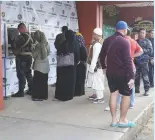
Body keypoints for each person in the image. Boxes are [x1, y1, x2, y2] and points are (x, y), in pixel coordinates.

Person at [100, 21, 135, 128]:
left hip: (110, 73)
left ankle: (114, 121)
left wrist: (104, 68)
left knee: (113, 94)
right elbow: (128, 60)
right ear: (124, 30)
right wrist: (131, 76)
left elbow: (101, 56)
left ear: (116, 29)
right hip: (122, 73)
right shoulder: (125, 42)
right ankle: (123, 120)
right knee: (126, 95)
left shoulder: (107, 40)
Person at [105, 30, 143, 111]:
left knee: (118, 87)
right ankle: (131, 103)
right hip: (131, 66)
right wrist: (132, 56)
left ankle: (117, 104)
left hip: (123, 67)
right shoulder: (133, 41)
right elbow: (141, 51)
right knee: (130, 86)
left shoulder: (119, 41)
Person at [54, 30, 80, 101]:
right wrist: (76, 62)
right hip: (72, 65)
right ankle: (70, 95)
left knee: (63, 80)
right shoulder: (76, 43)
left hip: (63, 66)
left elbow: (58, 53)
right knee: (71, 81)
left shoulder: (63, 43)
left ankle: (62, 95)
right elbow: (78, 54)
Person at [12, 23, 33, 97]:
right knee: (28, 73)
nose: (18, 31)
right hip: (29, 57)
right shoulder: (31, 36)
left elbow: (15, 46)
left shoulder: (21, 37)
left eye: (19, 29)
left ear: (21, 28)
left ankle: (21, 92)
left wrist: (13, 39)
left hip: (22, 57)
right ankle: (31, 90)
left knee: (21, 74)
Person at [86, 28, 105, 104]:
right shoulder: (96, 43)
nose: (93, 35)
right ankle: (97, 95)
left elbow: (95, 57)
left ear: (97, 35)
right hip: (95, 66)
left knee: (98, 82)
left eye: (94, 34)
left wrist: (92, 67)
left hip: (96, 67)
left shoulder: (97, 45)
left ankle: (100, 98)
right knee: (95, 81)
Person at [31, 30, 50, 101]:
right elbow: (47, 54)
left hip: (39, 66)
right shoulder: (47, 44)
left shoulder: (38, 46)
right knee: (44, 82)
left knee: (37, 82)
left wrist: (32, 49)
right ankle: (44, 96)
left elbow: (34, 55)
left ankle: (37, 97)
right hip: (46, 65)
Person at [135, 28, 153, 96]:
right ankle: (137, 89)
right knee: (136, 76)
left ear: (145, 34)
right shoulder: (135, 41)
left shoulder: (148, 41)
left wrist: (142, 50)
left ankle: (146, 90)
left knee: (145, 76)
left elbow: (151, 51)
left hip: (144, 62)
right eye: (141, 32)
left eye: (143, 33)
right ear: (138, 33)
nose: (142, 34)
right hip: (136, 61)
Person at [74, 32, 87, 96]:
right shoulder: (83, 47)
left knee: (77, 79)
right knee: (81, 79)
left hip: (77, 65)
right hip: (82, 65)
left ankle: (77, 92)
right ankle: (81, 92)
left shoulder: (75, 46)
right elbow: (85, 57)